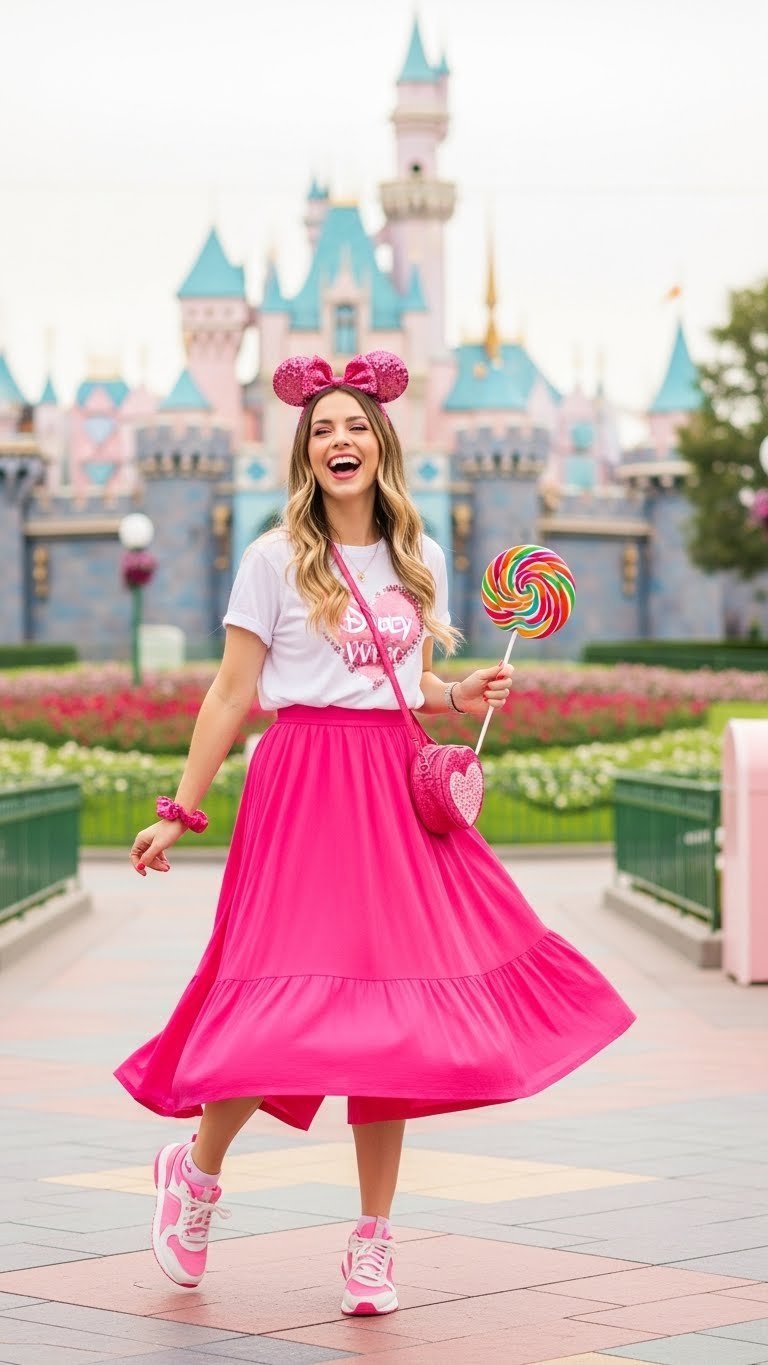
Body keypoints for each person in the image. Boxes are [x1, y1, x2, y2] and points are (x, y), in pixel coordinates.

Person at [115, 350, 635, 1317]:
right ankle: (195, 1173)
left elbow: (404, 684)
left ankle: (372, 1240)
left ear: (382, 442)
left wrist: (457, 692)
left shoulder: (418, 558)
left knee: (390, 1021)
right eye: (323, 430)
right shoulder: (273, 557)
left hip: (391, 789)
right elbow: (232, 692)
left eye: (355, 426)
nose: (339, 440)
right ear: (306, 454)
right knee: (273, 1002)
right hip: (301, 785)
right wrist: (177, 810)